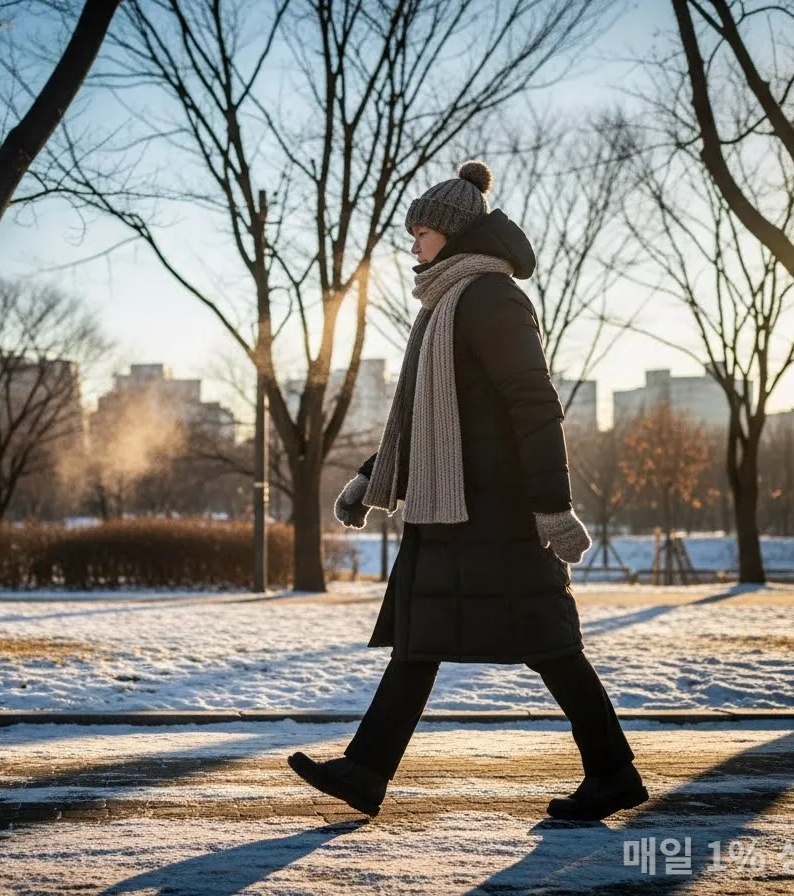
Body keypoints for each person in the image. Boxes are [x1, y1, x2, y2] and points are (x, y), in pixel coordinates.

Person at [287, 160, 648, 822]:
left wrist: (550, 507)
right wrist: (373, 477)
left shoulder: (489, 298)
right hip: (448, 507)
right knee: (420, 641)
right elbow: (423, 416)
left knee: (549, 643)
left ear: (452, 233)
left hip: (496, 512)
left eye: (420, 232)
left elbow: (534, 405)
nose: (413, 245)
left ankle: (612, 773)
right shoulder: (446, 304)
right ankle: (366, 772)